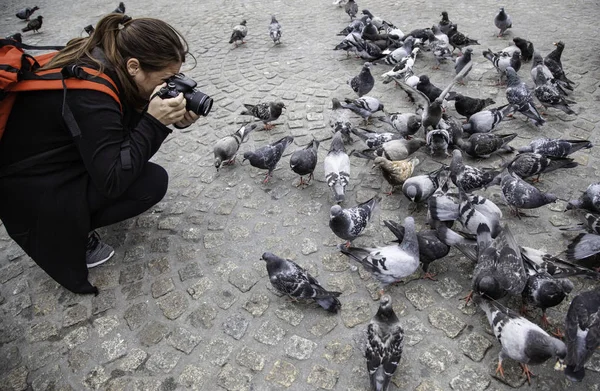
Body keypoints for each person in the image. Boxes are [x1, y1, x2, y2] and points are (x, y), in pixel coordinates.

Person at [0, 14, 200, 294]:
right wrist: (154, 123)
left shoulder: (105, 59)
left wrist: (164, 117)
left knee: (142, 172)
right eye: (166, 80)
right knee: (150, 183)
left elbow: (118, 132)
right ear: (133, 66)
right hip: (27, 191)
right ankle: (66, 235)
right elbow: (113, 179)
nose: (167, 87)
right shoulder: (92, 93)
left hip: (52, 162)